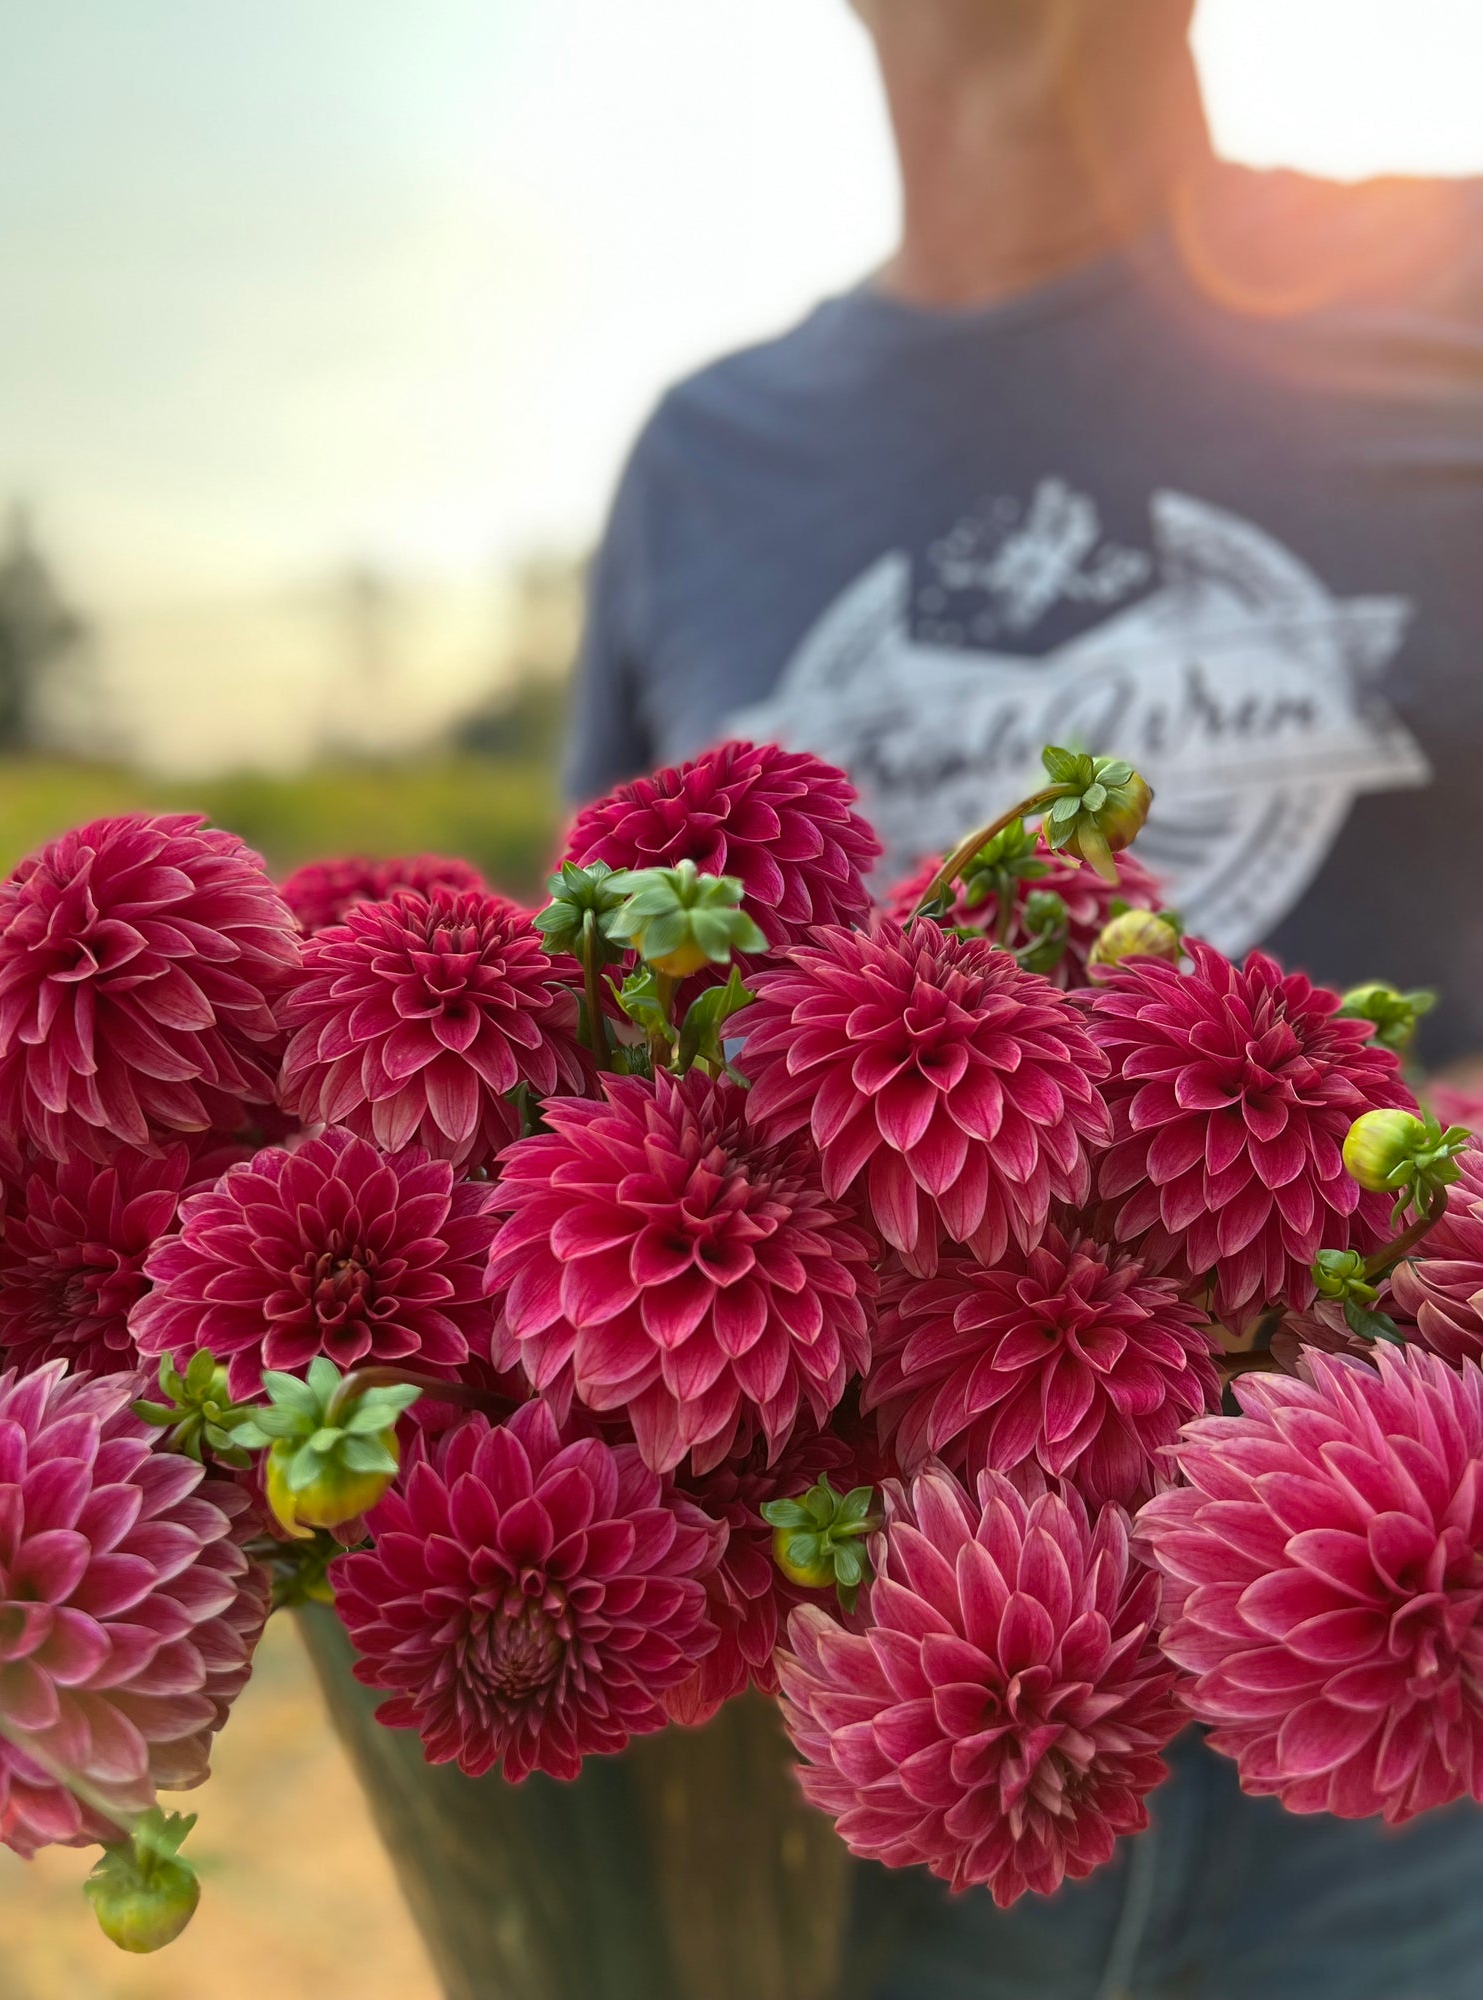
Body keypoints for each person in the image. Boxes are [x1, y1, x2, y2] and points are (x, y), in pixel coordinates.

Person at [565, 2, 1483, 1995]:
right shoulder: (703, 460)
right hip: (864, 1735)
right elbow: (598, 1046)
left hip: (1430, 1677)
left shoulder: (1448, 289)